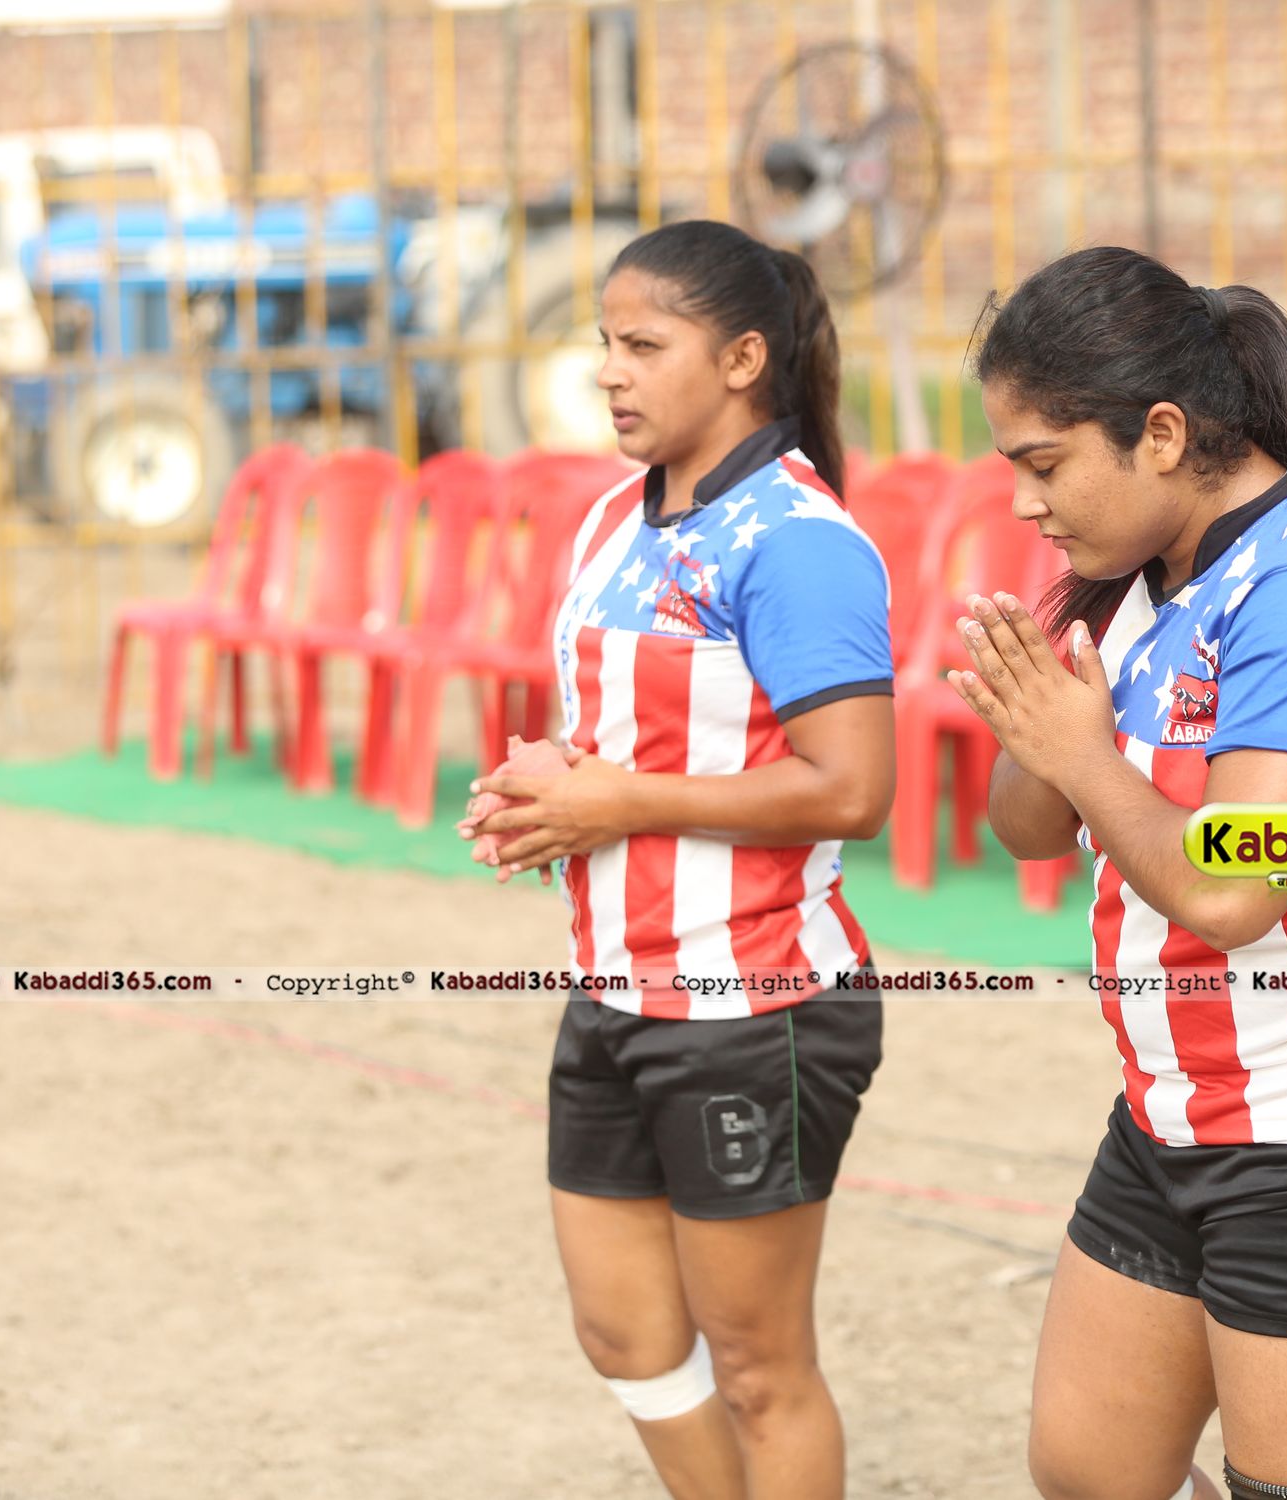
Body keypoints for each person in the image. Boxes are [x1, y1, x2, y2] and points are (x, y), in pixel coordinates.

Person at [955, 246, 1287, 1500]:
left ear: (1160, 433)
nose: (1026, 503)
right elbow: (1028, 831)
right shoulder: (1142, 571)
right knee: (1090, 1474)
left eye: (1044, 464)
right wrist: (1038, 724)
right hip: (1170, 1118)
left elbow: (1234, 895)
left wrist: (1082, 754)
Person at [456, 218, 896, 1500]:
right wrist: (546, 786)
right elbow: (633, 742)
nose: (610, 371)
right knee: (626, 1335)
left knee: (759, 1369)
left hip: (754, 1008)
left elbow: (852, 788)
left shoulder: (797, 540)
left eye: (644, 346)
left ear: (744, 359)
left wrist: (617, 801)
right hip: (614, 989)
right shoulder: (615, 517)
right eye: (605, 342)